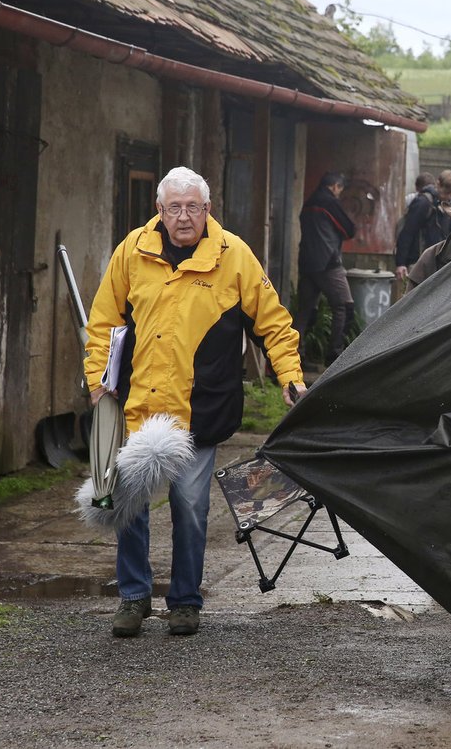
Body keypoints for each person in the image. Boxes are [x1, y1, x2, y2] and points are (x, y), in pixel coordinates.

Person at [84, 166, 305, 639]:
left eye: (193, 207)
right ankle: (134, 596)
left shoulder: (235, 257)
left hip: (199, 409)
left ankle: (184, 601)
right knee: (128, 504)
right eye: (174, 207)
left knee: (189, 507)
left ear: (208, 210)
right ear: (160, 211)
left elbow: (274, 325)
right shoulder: (131, 251)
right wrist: (97, 382)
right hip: (137, 406)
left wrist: (290, 376)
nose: (184, 217)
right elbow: (103, 323)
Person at [293, 172, 356, 366]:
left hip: (307, 262)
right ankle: (334, 357)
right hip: (328, 263)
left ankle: (295, 356)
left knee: (304, 311)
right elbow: (349, 229)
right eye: (340, 189)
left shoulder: (309, 202)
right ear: (336, 186)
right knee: (344, 307)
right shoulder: (328, 202)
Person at [394, 172, 451, 281]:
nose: (448, 196)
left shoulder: (441, 204)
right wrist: (401, 263)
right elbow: (407, 232)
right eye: (446, 192)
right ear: (438, 184)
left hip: (434, 263)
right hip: (418, 262)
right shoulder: (423, 203)